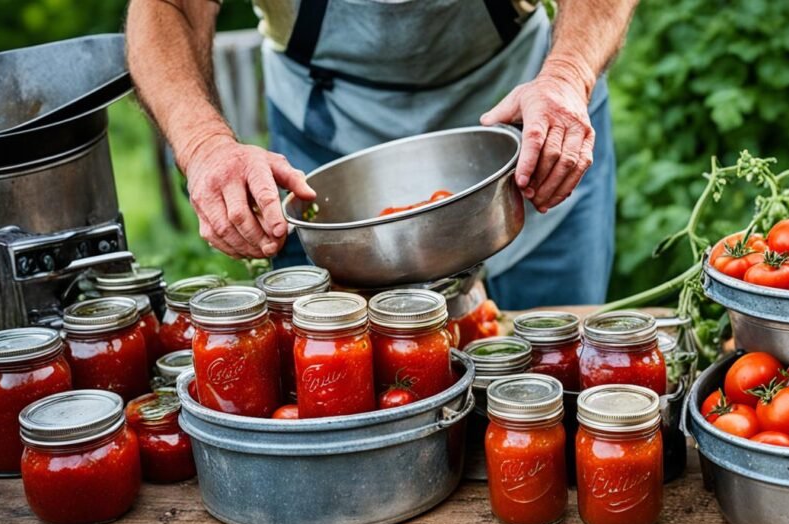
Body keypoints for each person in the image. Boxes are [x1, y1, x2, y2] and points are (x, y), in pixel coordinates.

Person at [126, 0, 638, 309]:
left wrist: (569, 75)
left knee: (554, 372)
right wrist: (204, 146)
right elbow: (169, 7)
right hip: (323, 154)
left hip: (531, 131)